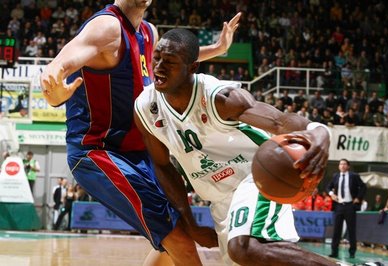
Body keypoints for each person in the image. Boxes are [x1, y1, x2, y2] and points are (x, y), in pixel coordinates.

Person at [40, 1, 241, 265]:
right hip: (98, 152)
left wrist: (218, 48)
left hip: (138, 152)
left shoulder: (149, 32)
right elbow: (59, 65)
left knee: (174, 240)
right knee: (178, 238)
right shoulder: (107, 27)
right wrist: (54, 89)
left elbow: (172, 62)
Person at [134, 28, 334, 266]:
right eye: (156, 58)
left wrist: (318, 130)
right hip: (219, 199)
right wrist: (190, 224)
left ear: (192, 67)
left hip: (257, 177)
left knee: (243, 248)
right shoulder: (146, 107)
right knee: (251, 256)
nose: (158, 67)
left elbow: (279, 121)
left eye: (170, 62)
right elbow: (162, 165)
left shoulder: (220, 98)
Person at [326, 159, 366, 259]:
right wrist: (331, 194)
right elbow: (328, 187)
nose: (342, 166)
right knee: (336, 230)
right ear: (339, 166)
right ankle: (334, 252)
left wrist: (358, 198)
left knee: (351, 230)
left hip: (350, 206)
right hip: (339, 206)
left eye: (344, 164)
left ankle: (352, 252)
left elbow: (363, 187)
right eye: (341, 164)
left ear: (348, 166)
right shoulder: (336, 176)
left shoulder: (354, 176)